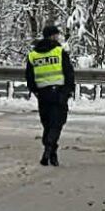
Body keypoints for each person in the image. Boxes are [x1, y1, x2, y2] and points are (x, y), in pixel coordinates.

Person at [25, 24, 75, 166]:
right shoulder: (59, 52)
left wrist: (36, 91)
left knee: (47, 124)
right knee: (57, 123)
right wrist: (68, 90)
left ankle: (51, 153)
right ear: (53, 36)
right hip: (58, 93)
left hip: (42, 94)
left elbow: (29, 77)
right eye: (57, 35)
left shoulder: (33, 55)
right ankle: (49, 147)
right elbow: (69, 72)